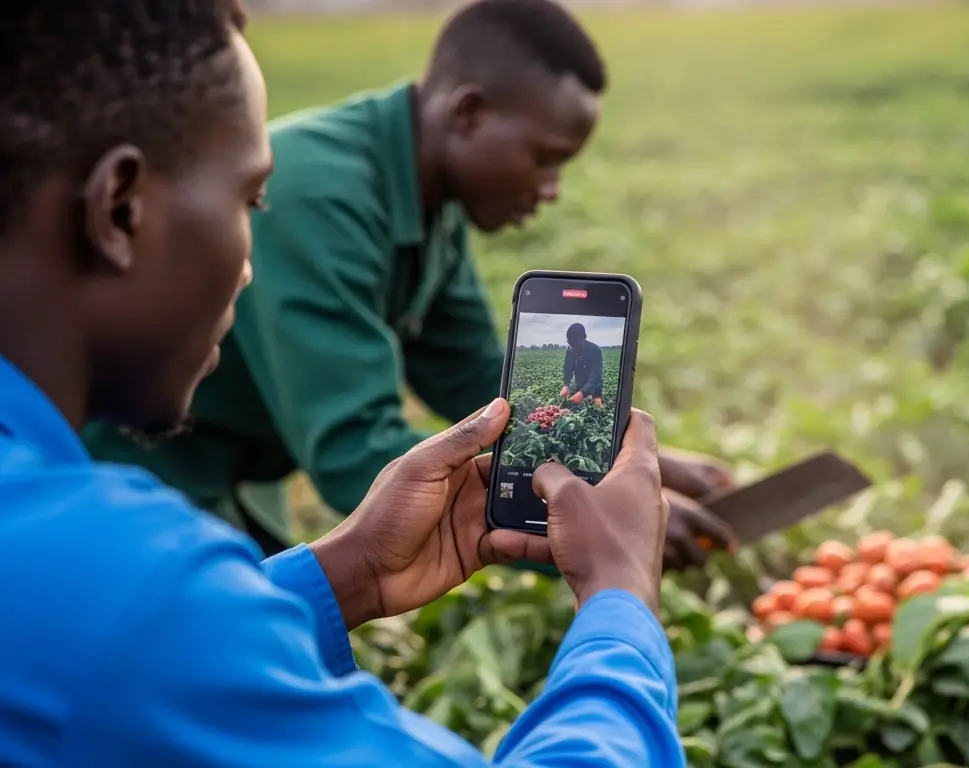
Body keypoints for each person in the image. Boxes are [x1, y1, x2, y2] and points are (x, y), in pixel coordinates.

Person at [0, 2, 686, 765]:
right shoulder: (122, 582)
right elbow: (133, 631)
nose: (251, 261)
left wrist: (347, 571)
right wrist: (621, 597)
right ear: (120, 209)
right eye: (250, 200)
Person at [78, 0, 737, 571]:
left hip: (234, 478)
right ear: (471, 113)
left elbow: (481, 387)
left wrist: (626, 453)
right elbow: (354, 450)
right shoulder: (322, 199)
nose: (551, 189)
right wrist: (582, 526)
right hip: (123, 477)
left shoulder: (430, 204)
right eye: (544, 158)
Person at [560, 322, 604, 406]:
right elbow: (567, 369)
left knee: (594, 411)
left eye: (576, 344)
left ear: (584, 337)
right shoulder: (570, 350)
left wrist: (583, 393)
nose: (574, 348)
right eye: (571, 344)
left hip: (594, 391)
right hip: (579, 387)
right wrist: (566, 385)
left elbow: (595, 377)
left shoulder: (595, 351)